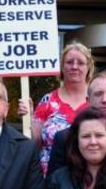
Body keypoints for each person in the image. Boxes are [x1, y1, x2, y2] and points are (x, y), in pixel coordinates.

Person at [19, 42, 93, 174]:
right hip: (50, 177)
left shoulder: (97, 100)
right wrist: (28, 119)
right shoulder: (48, 101)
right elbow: (35, 143)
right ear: (62, 67)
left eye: (80, 63)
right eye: (69, 62)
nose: (74, 66)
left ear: (88, 68)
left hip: (88, 175)